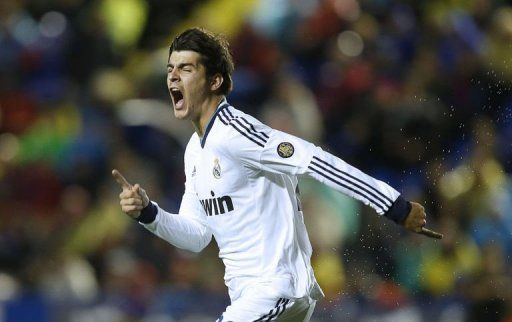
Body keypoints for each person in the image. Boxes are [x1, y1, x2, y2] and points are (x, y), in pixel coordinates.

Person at [112, 27, 442, 321]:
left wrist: (392, 204)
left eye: (185, 69)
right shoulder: (195, 151)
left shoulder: (238, 132)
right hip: (253, 298)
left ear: (214, 80)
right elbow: (196, 236)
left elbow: (316, 160)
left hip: (276, 290)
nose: (173, 78)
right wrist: (148, 213)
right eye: (171, 70)